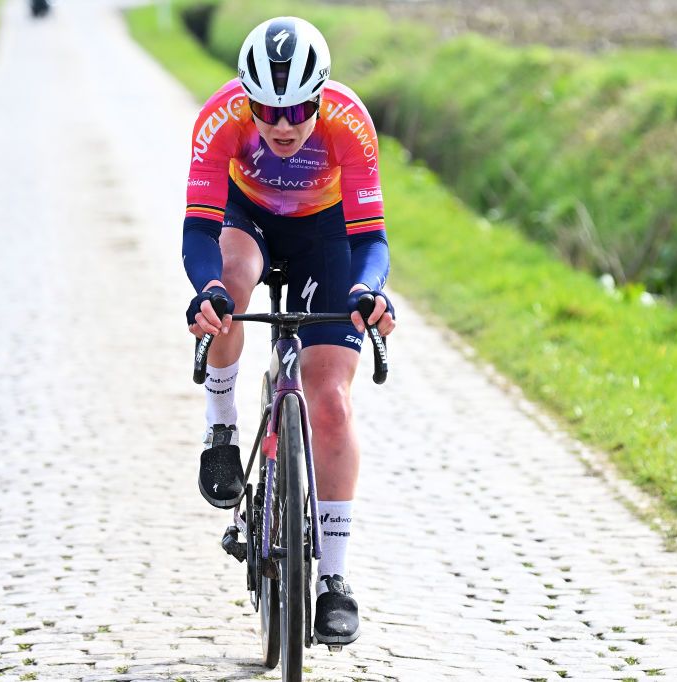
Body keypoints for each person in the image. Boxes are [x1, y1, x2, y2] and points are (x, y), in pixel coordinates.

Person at [182, 15, 395, 646]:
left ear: (321, 95)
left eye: (298, 108)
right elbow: (198, 229)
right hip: (246, 217)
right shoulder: (220, 120)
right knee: (234, 282)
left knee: (329, 402)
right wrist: (208, 290)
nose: (281, 125)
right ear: (246, 98)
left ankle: (332, 580)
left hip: (324, 231)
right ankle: (221, 425)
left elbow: (371, 239)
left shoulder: (348, 124)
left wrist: (368, 291)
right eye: (267, 110)